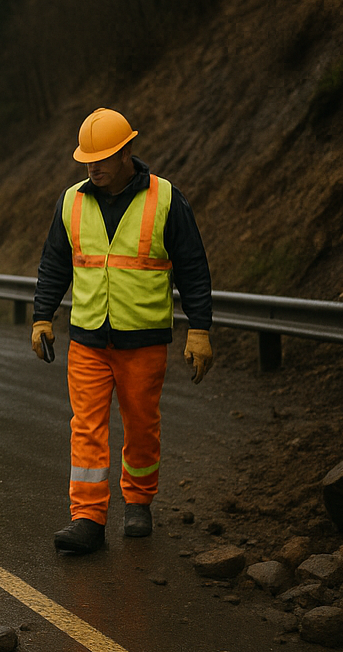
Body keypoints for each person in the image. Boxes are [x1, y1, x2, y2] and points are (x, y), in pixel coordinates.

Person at [31, 107, 213, 555]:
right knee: (86, 428)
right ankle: (87, 518)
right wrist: (42, 316)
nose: (93, 168)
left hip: (143, 340)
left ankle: (138, 502)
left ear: (127, 151)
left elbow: (192, 266)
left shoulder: (165, 198)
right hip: (88, 338)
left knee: (141, 426)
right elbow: (55, 262)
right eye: (87, 160)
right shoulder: (72, 201)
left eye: (102, 159)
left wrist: (199, 329)